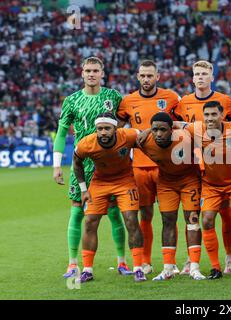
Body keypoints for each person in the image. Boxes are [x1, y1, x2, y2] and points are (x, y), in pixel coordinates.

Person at [52, 57, 129, 278]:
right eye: (88, 70)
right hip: (81, 162)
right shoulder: (72, 100)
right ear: (82, 73)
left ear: (102, 73)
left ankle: (122, 262)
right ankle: (73, 263)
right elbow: (62, 131)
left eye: (95, 70)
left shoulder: (113, 97)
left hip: (108, 162)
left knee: (114, 212)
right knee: (77, 210)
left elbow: (123, 122)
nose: (91, 74)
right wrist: (57, 165)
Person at [173, 60, 231, 275]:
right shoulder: (183, 103)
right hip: (192, 168)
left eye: (204, 73)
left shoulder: (224, 101)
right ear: (192, 78)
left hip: (219, 167)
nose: (200, 77)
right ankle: (190, 259)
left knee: (227, 214)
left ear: (212, 77)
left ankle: (230, 258)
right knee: (192, 214)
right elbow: (175, 126)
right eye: (197, 74)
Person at [117, 59, 180, 275]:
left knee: (169, 215)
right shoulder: (127, 101)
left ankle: (170, 263)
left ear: (157, 77)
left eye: (150, 75)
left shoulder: (171, 98)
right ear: (137, 76)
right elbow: (118, 132)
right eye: (142, 76)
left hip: (165, 166)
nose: (146, 79)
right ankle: (145, 261)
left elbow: (182, 125)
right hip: (140, 167)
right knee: (145, 215)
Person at [72, 113, 146, 282]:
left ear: (115, 129)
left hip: (125, 181)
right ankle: (87, 270)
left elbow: (145, 136)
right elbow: (76, 162)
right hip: (100, 182)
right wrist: (84, 190)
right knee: (90, 221)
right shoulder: (87, 144)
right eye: (100, 129)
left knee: (131, 219)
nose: (103, 132)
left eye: (107, 128)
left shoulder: (127, 135)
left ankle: (138, 268)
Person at [183, 101, 231, 280]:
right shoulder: (196, 129)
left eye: (214, 115)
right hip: (211, 186)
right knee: (206, 220)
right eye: (207, 115)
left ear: (222, 115)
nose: (210, 118)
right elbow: (173, 124)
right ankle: (215, 268)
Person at [138, 112, 206, 281]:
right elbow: (121, 136)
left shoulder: (185, 136)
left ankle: (194, 268)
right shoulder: (144, 140)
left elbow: (203, 130)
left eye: (163, 129)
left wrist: (177, 124)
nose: (159, 134)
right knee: (167, 221)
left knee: (192, 220)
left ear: (172, 130)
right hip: (166, 183)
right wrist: (146, 130)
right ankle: (168, 268)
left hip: (189, 180)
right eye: (155, 130)